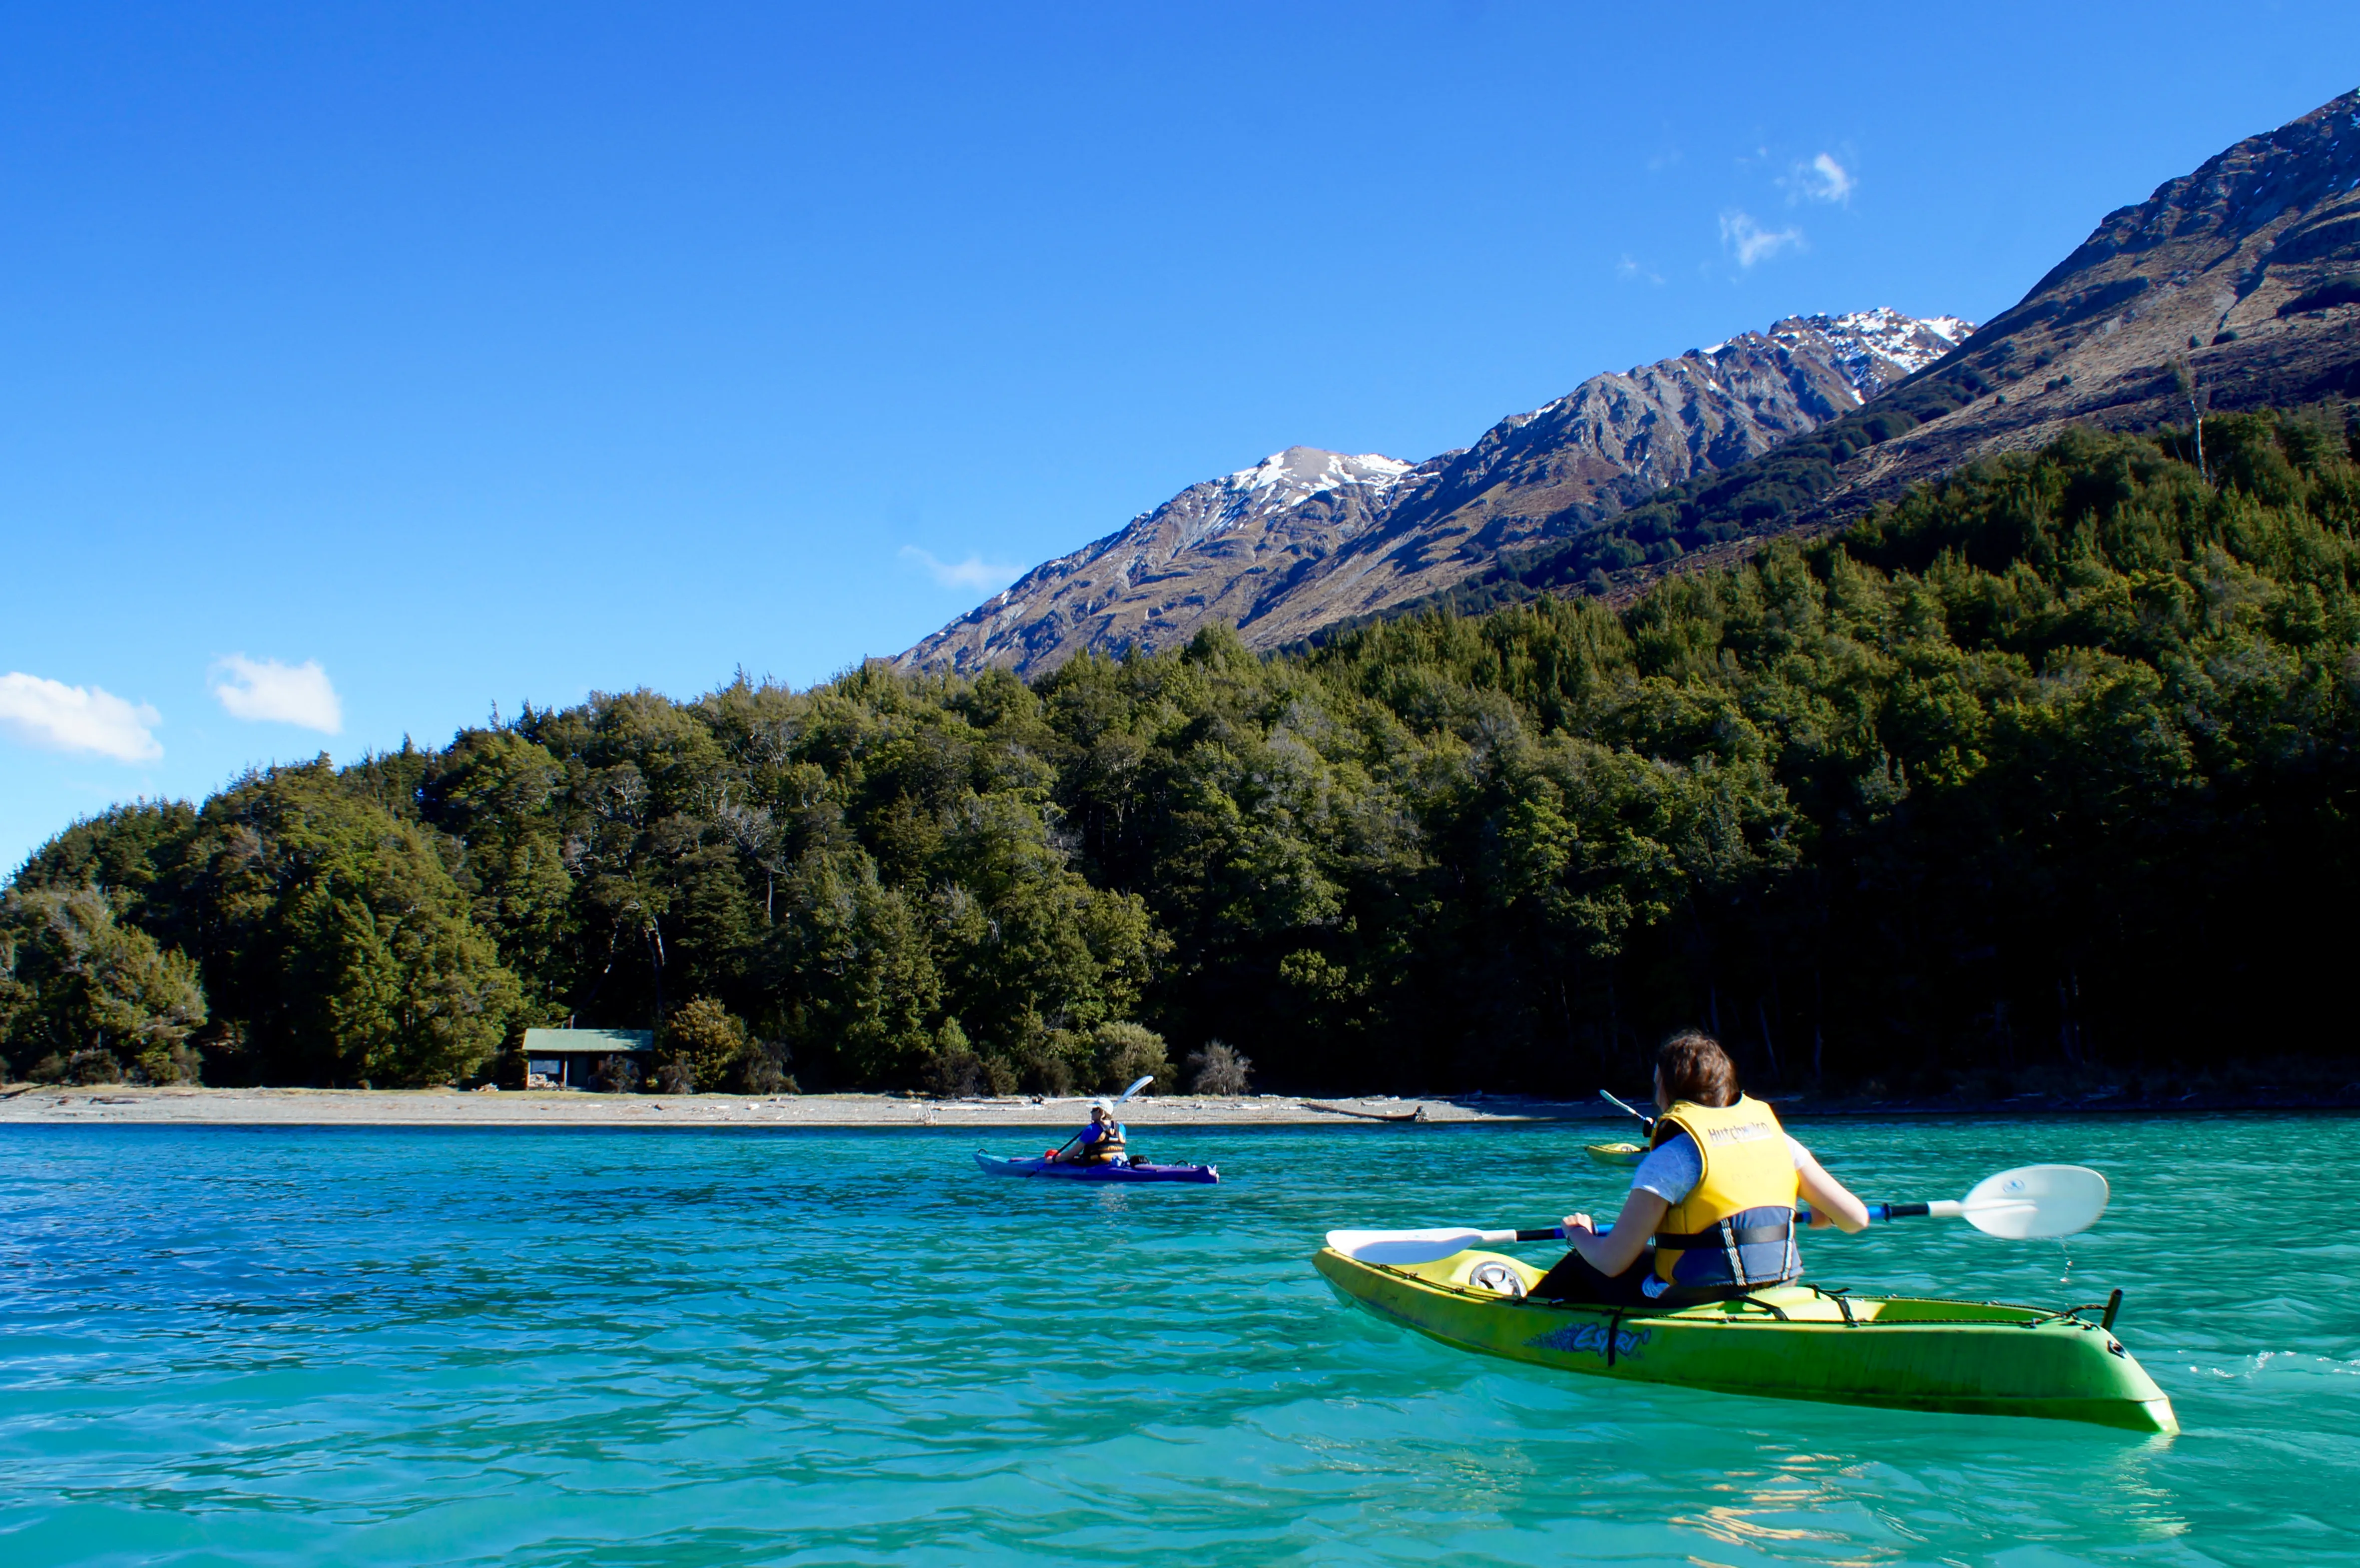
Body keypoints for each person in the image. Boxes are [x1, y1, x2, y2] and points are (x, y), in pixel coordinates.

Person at [1535, 1031, 1870, 1305]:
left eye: (1657, 1086)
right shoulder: (1779, 1140)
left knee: (1583, 1262)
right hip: (1779, 1284)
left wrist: (1577, 1233)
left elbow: (1612, 1262)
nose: (1655, 1096)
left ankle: (1521, 1321)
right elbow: (1855, 1219)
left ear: (1669, 1089)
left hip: (1695, 1295)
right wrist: (1821, 1209)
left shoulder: (1672, 1157)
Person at [1057, 1100, 1129, 1165]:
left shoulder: (1091, 1129)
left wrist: (1054, 1160)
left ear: (1101, 1112)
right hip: (1117, 1163)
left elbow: (1073, 1153)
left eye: (1094, 1110)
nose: (1091, 1112)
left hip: (1095, 1165)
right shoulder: (1121, 1127)